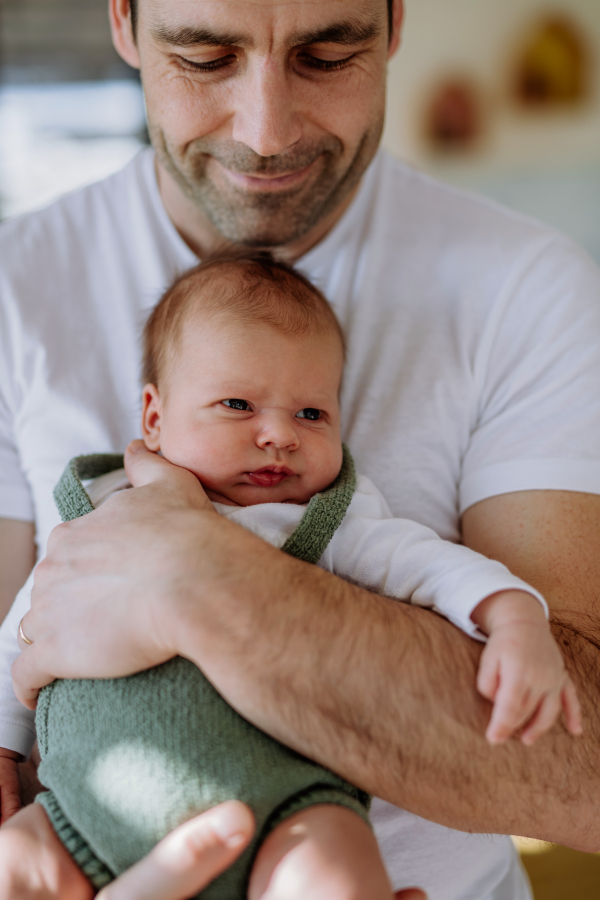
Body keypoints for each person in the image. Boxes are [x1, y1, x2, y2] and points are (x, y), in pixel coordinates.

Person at [1, 0, 600, 897]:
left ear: (396, 22)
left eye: (327, 53)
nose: (266, 131)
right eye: (204, 57)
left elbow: (580, 762)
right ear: (123, 22)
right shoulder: (15, 290)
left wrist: (197, 582)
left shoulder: (530, 294)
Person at [0, 253, 582, 897]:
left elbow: (434, 567)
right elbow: (26, 628)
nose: (278, 434)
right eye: (238, 404)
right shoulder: (101, 513)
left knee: (331, 871)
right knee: (14, 865)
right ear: (155, 418)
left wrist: (515, 617)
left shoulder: (330, 523)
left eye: (311, 414)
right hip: (83, 814)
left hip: (287, 810)